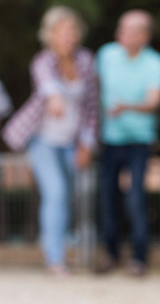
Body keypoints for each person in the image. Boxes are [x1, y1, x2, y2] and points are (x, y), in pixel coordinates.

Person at [2, 6, 98, 276]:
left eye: (73, 30)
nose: (69, 36)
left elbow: (91, 107)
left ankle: (62, 250)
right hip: (42, 139)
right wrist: (55, 97)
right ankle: (54, 260)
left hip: (71, 141)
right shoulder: (42, 60)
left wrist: (87, 143)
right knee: (55, 192)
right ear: (51, 35)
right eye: (63, 31)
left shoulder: (86, 61)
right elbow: (47, 84)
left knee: (69, 197)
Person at [96, 10, 160, 276]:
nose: (121, 33)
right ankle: (111, 254)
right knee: (107, 197)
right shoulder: (106, 55)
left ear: (143, 36)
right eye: (120, 27)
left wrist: (126, 106)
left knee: (136, 198)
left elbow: (154, 102)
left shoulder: (156, 64)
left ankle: (139, 258)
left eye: (127, 29)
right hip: (110, 139)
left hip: (139, 140)